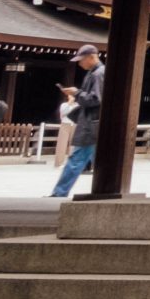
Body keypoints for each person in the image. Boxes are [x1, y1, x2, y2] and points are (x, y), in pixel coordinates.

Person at [50, 45, 105, 198]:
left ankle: (60, 192)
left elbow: (95, 99)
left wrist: (77, 92)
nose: (80, 63)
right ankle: (60, 191)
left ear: (91, 57)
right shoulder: (94, 73)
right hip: (91, 123)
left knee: (77, 159)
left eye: (81, 59)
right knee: (92, 159)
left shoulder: (98, 74)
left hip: (90, 124)